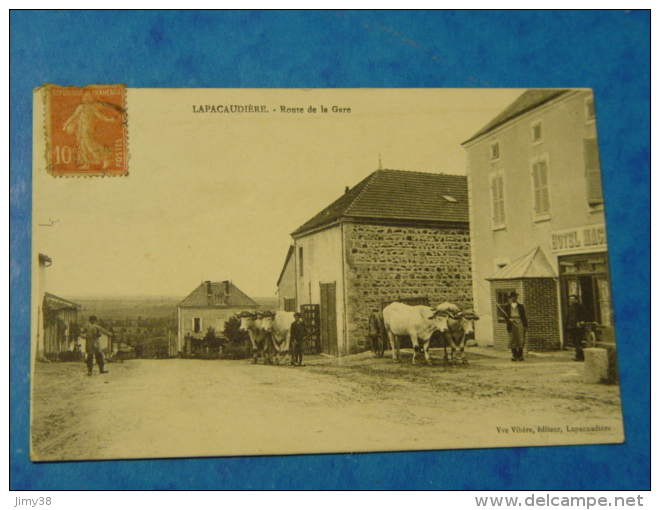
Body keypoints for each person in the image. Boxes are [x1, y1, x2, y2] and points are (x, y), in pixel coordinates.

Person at [502, 291, 528, 361]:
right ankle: (514, 355)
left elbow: (524, 316)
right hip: (511, 324)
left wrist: (525, 325)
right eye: (511, 297)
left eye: (515, 297)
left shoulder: (521, 306)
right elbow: (504, 315)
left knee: (520, 339)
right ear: (509, 298)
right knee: (512, 339)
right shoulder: (507, 306)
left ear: (516, 298)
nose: (513, 298)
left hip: (519, 323)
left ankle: (520, 355)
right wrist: (509, 319)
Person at [566, 294, 588, 361]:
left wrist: (582, 321)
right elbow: (569, 317)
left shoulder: (580, 307)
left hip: (578, 327)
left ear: (576, 300)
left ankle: (580, 356)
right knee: (574, 342)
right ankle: (578, 355)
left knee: (578, 341)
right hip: (572, 327)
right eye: (570, 299)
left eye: (573, 299)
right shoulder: (570, 307)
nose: (571, 301)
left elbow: (585, 315)